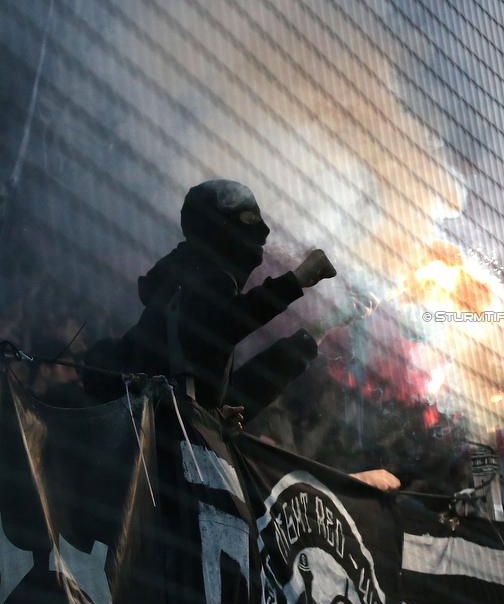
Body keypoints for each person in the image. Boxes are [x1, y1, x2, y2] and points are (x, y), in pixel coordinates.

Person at [82, 179, 398, 490]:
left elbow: (242, 390)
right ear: (216, 227)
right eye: (248, 220)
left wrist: (324, 325)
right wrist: (294, 282)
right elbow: (221, 326)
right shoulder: (193, 286)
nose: (262, 232)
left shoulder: (182, 303)